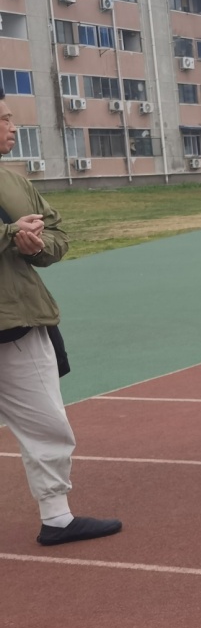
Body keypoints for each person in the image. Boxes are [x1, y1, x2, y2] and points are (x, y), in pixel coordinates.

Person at [0, 90, 122, 546]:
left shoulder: (14, 182)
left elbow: (55, 234)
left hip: (19, 323)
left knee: (47, 423)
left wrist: (36, 244)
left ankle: (56, 518)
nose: (13, 126)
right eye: (4, 119)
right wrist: (11, 233)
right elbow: (14, 232)